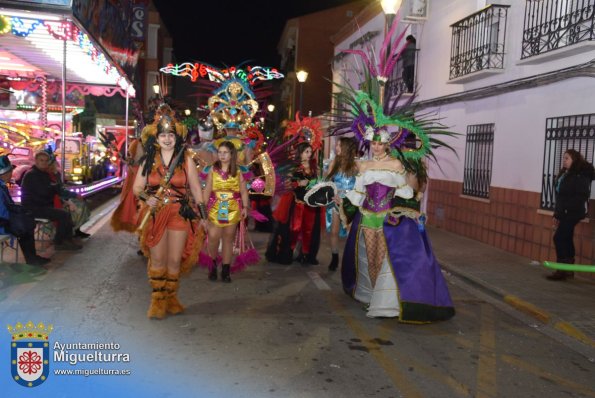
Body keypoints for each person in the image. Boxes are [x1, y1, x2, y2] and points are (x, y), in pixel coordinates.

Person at [341, 135, 455, 322]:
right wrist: (343, 204)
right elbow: (358, 194)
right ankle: (373, 297)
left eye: (380, 143)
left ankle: (379, 300)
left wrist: (414, 211)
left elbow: (404, 193)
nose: (376, 147)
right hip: (368, 218)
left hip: (386, 218)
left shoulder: (396, 165)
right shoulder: (363, 165)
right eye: (373, 143)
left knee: (381, 258)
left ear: (387, 145)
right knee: (371, 260)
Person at [133, 114, 207, 319]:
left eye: (171, 135)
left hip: (179, 214)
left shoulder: (186, 160)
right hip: (156, 214)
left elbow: (196, 189)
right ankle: (157, 301)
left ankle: (171, 298)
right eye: (163, 135)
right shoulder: (148, 160)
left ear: (177, 137)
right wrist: (147, 198)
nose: (167, 139)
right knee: (157, 258)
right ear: (156, 138)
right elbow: (137, 187)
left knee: (174, 260)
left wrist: (203, 216)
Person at [266, 142, 323, 266]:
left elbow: (319, 184)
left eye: (310, 152)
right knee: (293, 230)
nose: (308, 154)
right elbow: (287, 184)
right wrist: (298, 184)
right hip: (296, 204)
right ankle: (287, 253)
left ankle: (306, 255)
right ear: (300, 153)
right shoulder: (294, 167)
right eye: (306, 152)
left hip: (311, 205)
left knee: (309, 231)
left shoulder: (315, 168)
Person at [202, 141, 251, 283]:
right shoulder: (212, 170)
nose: (222, 155)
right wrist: (202, 211)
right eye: (220, 152)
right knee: (213, 237)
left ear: (232, 154)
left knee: (228, 240)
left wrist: (245, 207)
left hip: (233, 208)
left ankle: (225, 270)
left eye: (225, 152)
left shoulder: (238, 171)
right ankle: (212, 266)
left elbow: (243, 191)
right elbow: (207, 190)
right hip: (215, 208)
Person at [546, 149, 594, 281]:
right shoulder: (565, 173)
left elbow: (581, 195)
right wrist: (558, 213)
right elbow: (561, 196)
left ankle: (562, 270)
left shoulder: (580, 175)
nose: (564, 161)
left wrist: (566, 211)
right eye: (563, 158)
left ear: (574, 160)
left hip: (573, 212)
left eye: (567, 158)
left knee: (559, 238)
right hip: (565, 211)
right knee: (566, 238)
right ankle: (568, 269)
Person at [21, 151, 82, 251]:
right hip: (33, 208)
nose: (44, 163)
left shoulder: (43, 174)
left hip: (42, 205)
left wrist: (53, 189)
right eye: (41, 160)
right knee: (63, 215)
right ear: (36, 161)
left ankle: (67, 239)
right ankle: (59, 242)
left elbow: (54, 189)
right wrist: (53, 189)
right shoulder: (32, 174)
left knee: (65, 213)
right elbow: (44, 192)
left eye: (46, 161)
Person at [0, 155, 51, 266]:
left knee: (26, 224)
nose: (11, 174)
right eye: (10, 171)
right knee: (25, 227)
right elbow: (3, 213)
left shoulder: (2, 186)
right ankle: (31, 259)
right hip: (2, 224)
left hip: (3, 221)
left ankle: (32, 258)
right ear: (5, 173)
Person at [325, 137, 357, 271]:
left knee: (351, 234)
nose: (336, 148)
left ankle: (350, 259)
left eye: (339, 145)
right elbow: (327, 181)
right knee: (334, 231)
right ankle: (334, 257)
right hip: (335, 201)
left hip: (349, 203)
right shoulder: (334, 163)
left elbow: (360, 186)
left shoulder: (356, 165)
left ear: (346, 148)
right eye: (336, 145)